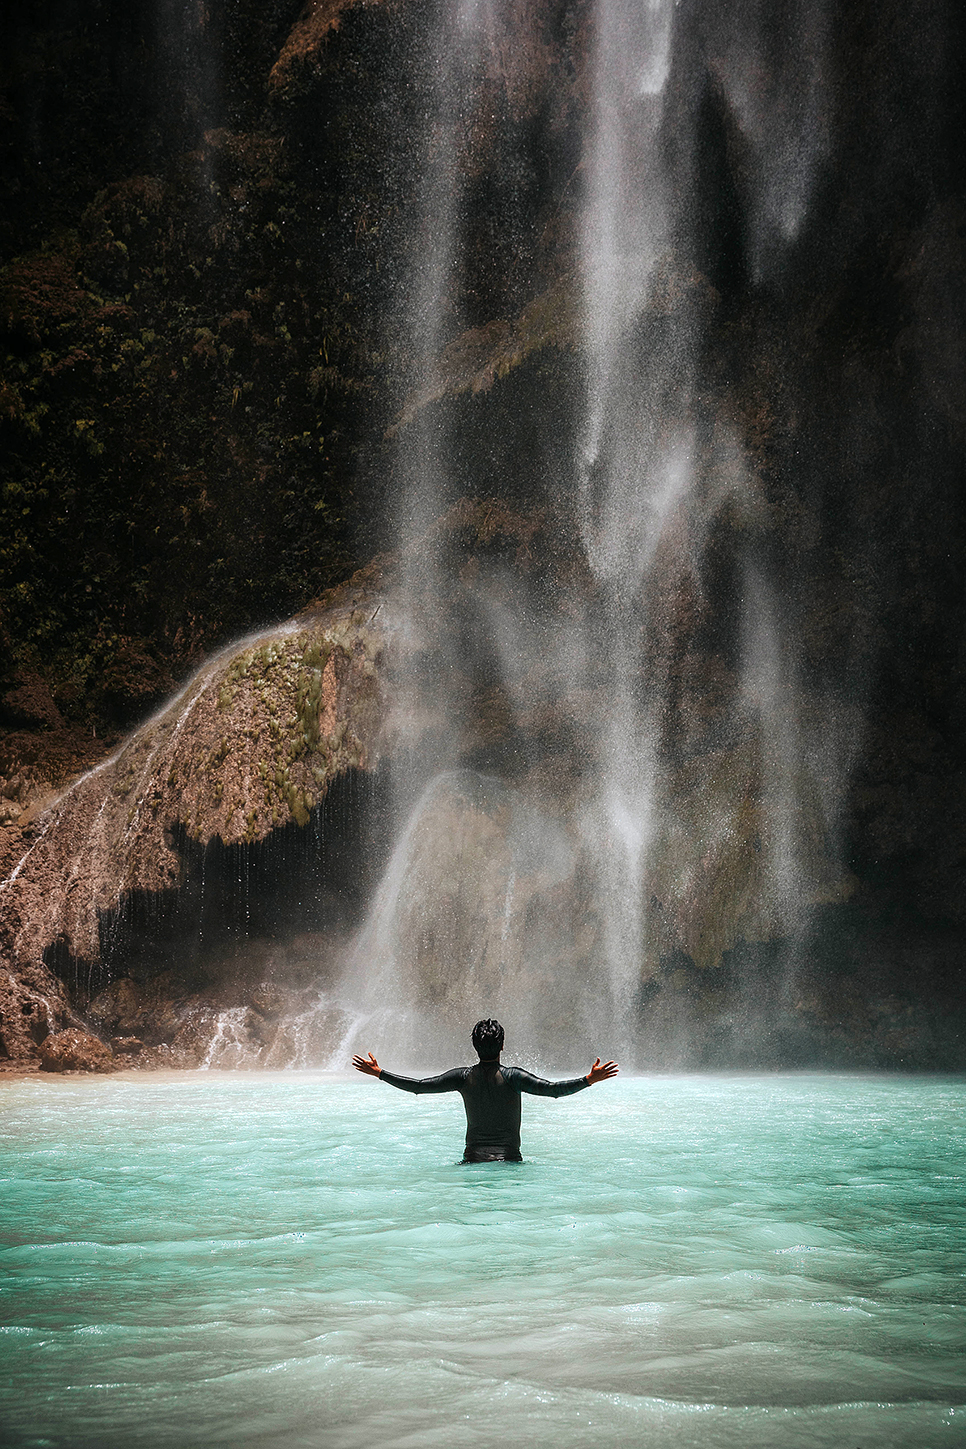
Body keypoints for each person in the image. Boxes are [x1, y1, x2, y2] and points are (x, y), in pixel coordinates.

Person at [352, 1018, 618, 1162]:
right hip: (510, 1163)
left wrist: (379, 1073)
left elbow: (419, 1087)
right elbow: (553, 1090)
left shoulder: (463, 1078)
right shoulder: (514, 1077)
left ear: (474, 1047)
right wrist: (589, 1080)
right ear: (502, 1046)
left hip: (472, 1162)